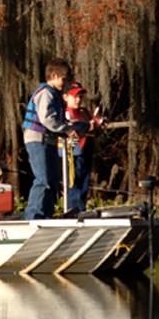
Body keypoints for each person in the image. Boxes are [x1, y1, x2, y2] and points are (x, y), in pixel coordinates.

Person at [22, 58, 88, 219]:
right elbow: (47, 120)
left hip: (49, 141)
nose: (65, 83)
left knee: (53, 181)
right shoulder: (45, 93)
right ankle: (33, 216)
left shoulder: (55, 96)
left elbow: (61, 121)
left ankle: (47, 216)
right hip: (38, 139)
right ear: (54, 75)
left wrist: (81, 127)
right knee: (43, 179)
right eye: (64, 79)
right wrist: (66, 130)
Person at [62, 83, 100, 213]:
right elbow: (70, 127)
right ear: (66, 97)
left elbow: (93, 129)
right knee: (74, 182)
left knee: (85, 181)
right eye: (75, 97)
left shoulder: (85, 112)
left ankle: (81, 209)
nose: (79, 100)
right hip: (73, 151)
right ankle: (74, 211)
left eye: (81, 97)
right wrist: (86, 126)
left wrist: (99, 124)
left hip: (86, 149)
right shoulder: (65, 113)